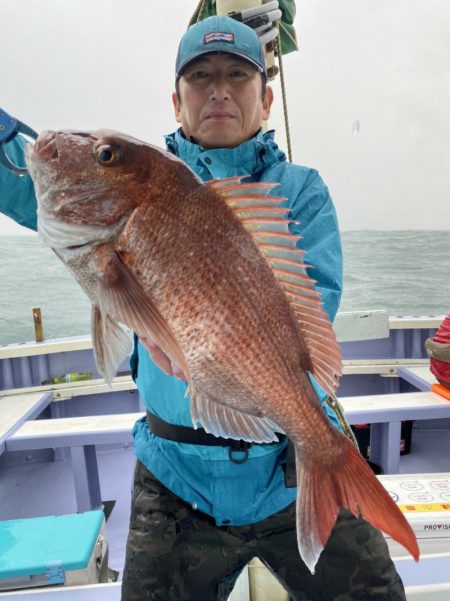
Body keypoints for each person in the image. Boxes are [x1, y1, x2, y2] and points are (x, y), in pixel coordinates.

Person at [1, 15, 407, 601]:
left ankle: (330, 468)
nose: (219, 89)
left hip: (289, 470)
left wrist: (216, 331)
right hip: (174, 479)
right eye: (200, 76)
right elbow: (28, 181)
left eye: (238, 75)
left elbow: (312, 304)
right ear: (176, 100)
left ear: (265, 99)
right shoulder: (142, 183)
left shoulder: (300, 190)